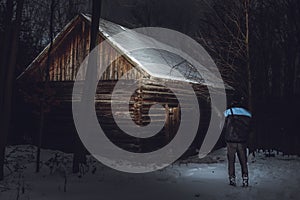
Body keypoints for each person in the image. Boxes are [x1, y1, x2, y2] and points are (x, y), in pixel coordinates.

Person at [223, 98, 252, 187]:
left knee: (231, 161)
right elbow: (250, 127)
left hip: (231, 140)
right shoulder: (247, 113)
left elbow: (223, 124)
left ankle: (232, 179)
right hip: (242, 140)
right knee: (243, 161)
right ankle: (245, 179)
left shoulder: (228, 112)